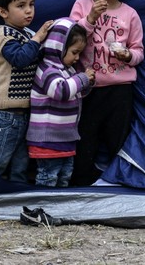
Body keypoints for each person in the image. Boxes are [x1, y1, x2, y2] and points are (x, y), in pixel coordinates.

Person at [69, 0, 144, 186]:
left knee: (118, 137)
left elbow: (139, 51)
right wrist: (90, 18)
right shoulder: (82, 5)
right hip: (88, 87)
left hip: (120, 89)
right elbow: (70, 39)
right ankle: (81, 179)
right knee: (85, 135)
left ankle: (119, 180)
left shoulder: (130, 14)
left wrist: (128, 55)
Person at [0, 0, 54, 183]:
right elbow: (21, 59)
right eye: (21, 6)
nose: (28, 11)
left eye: (31, 5)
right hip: (5, 114)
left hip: (24, 111)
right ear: (3, 12)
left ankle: (13, 197)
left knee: (21, 163)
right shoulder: (4, 35)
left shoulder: (25, 34)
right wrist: (39, 37)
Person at [27, 18, 95, 187]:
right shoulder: (47, 70)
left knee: (65, 175)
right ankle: (41, 208)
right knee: (49, 176)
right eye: (74, 52)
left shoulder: (68, 70)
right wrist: (82, 78)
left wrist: (87, 82)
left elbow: (75, 92)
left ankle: (56, 209)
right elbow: (61, 91)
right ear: (59, 47)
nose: (77, 57)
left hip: (64, 138)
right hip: (47, 139)